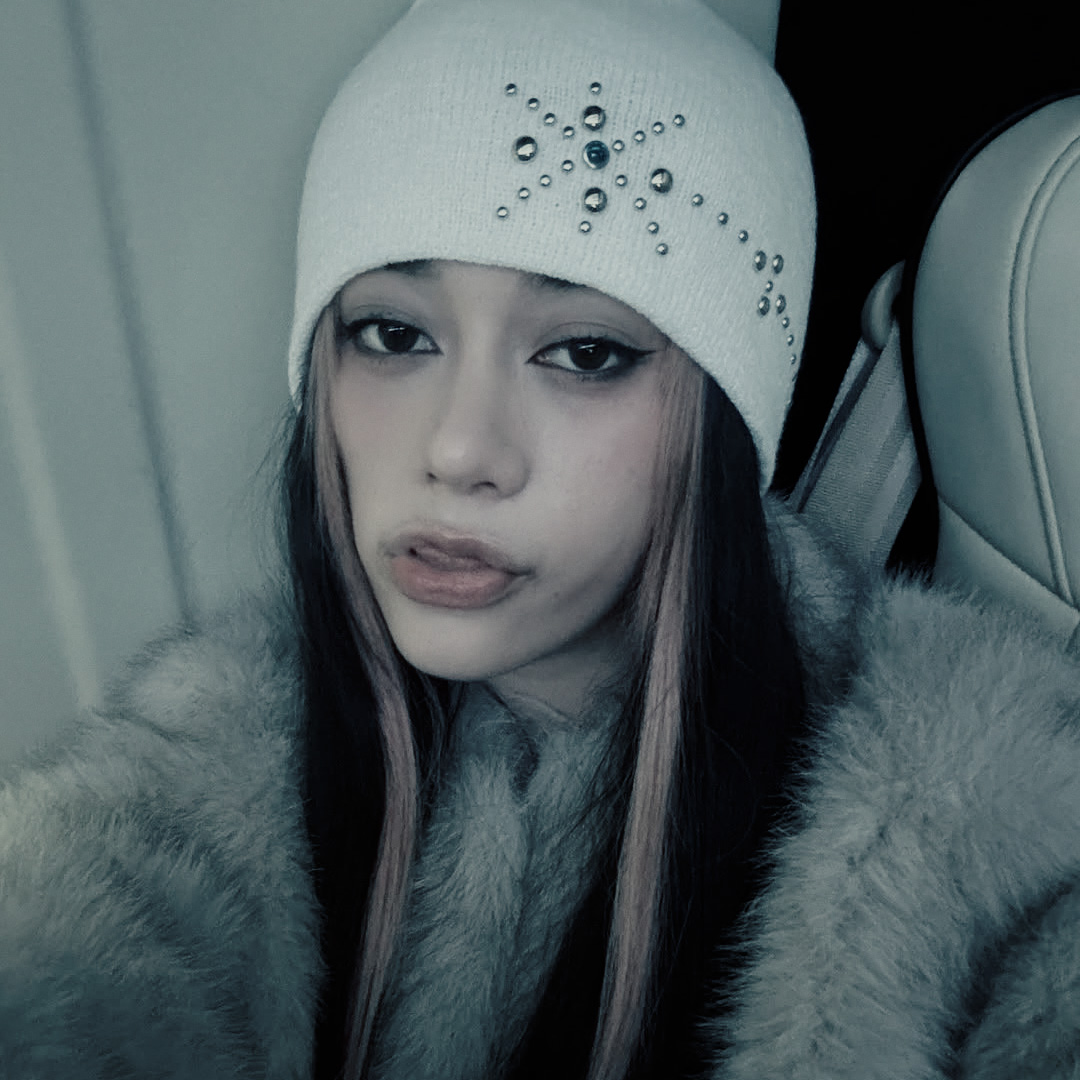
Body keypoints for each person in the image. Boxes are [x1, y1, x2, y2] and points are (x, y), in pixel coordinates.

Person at [4, 0, 1080, 1078]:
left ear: (720, 419)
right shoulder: (214, 767)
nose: (460, 449)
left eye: (585, 353)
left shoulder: (1000, 831)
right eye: (393, 334)